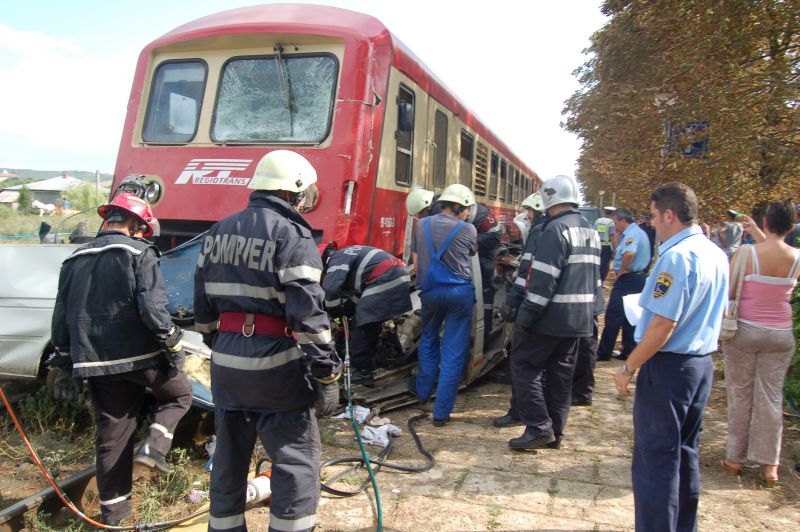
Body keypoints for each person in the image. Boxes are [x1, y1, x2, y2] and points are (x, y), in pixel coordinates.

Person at [194, 150, 342, 532]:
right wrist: (326, 374)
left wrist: (223, 343)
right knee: (294, 462)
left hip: (227, 365)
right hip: (277, 370)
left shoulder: (217, 232)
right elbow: (308, 317)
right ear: (294, 190)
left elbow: (202, 308)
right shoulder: (292, 235)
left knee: (229, 459)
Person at [51, 193, 192, 526]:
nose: (143, 234)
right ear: (135, 224)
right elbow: (152, 306)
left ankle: (114, 516)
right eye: (143, 228)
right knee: (179, 394)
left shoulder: (74, 258)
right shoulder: (139, 253)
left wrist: (64, 358)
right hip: (141, 356)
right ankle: (154, 449)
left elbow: (61, 314)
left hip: (95, 363)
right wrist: (172, 342)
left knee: (112, 436)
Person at [614, 182, 728, 532]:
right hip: (700, 364)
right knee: (685, 454)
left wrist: (629, 366)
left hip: (668, 368)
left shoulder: (677, 257)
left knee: (655, 463)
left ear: (669, 214)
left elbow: (663, 324)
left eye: (653, 216)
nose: (652, 224)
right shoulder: (715, 253)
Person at [505, 175, 600, 450]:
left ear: (549, 199)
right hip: (580, 319)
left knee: (524, 365)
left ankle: (538, 427)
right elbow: (594, 278)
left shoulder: (554, 230)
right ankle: (555, 433)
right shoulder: (588, 228)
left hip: (551, 317)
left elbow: (543, 282)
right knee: (561, 375)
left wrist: (525, 317)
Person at [720, 201, 800, 487]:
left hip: (745, 331)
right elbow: (776, 248)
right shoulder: (796, 257)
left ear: (765, 222)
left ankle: (734, 459)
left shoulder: (746, 253)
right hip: (780, 334)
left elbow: (728, 289)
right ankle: (770, 465)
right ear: (791, 227)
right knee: (771, 398)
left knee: (740, 394)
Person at [412, 183, 477, 426]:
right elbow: (472, 253)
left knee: (428, 339)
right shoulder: (467, 229)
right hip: (459, 294)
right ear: (459, 207)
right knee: (453, 351)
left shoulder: (422, 225)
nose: (469, 213)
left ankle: (422, 393)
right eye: (467, 208)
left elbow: (417, 263)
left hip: (430, 292)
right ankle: (441, 414)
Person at [320, 243, 412, 387]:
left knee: (363, 325)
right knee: (370, 321)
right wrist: (345, 315)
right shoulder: (349, 253)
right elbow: (357, 298)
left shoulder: (336, 260)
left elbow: (330, 291)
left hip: (385, 277)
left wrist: (337, 317)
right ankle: (392, 354)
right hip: (396, 275)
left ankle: (363, 372)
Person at [494, 192, 546, 428]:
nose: (528, 215)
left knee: (522, 362)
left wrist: (511, 304)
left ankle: (521, 414)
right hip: (555, 310)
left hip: (533, 306)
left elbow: (526, 275)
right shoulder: (570, 229)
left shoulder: (540, 233)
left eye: (531, 211)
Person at [596, 208, 651, 361]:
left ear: (622, 221)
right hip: (637, 278)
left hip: (628, 279)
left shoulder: (632, 235)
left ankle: (604, 352)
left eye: (615, 222)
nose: (614, 226)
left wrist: (621, 270)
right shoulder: (638, 232)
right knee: (629, 316)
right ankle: (629, 350)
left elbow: (629, 253)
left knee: (613, 315)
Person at [595, 206, 616, 282]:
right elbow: (612, 236)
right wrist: (615, 248)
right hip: (607, 246)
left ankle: (594, 279)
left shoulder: (597, 221)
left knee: (596, 263)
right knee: (604, 265)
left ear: (605, 212)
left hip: (597, 245)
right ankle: (601, 281)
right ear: (612, 214)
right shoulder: (611, 223)